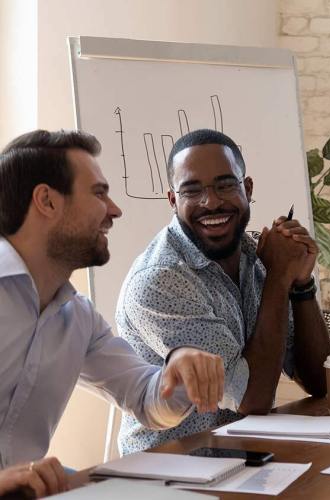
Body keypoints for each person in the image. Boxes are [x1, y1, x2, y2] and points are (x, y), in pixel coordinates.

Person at [0, 129, 225, 497]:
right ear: (47, 201)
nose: (115, 210)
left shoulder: (78, 317)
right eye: (99, 193)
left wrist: (180, 365)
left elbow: (147, 401)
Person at [116, 129, 330, 454]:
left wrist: (301, 284)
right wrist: (278, 277)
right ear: (173, 201)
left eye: (225, 185)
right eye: (192, 190)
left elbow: (321, 382)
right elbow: (252, 399)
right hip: (173, 472)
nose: (211, 201)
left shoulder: (254, 254)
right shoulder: (160, 280)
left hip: (244, 458)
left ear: (247, 188)